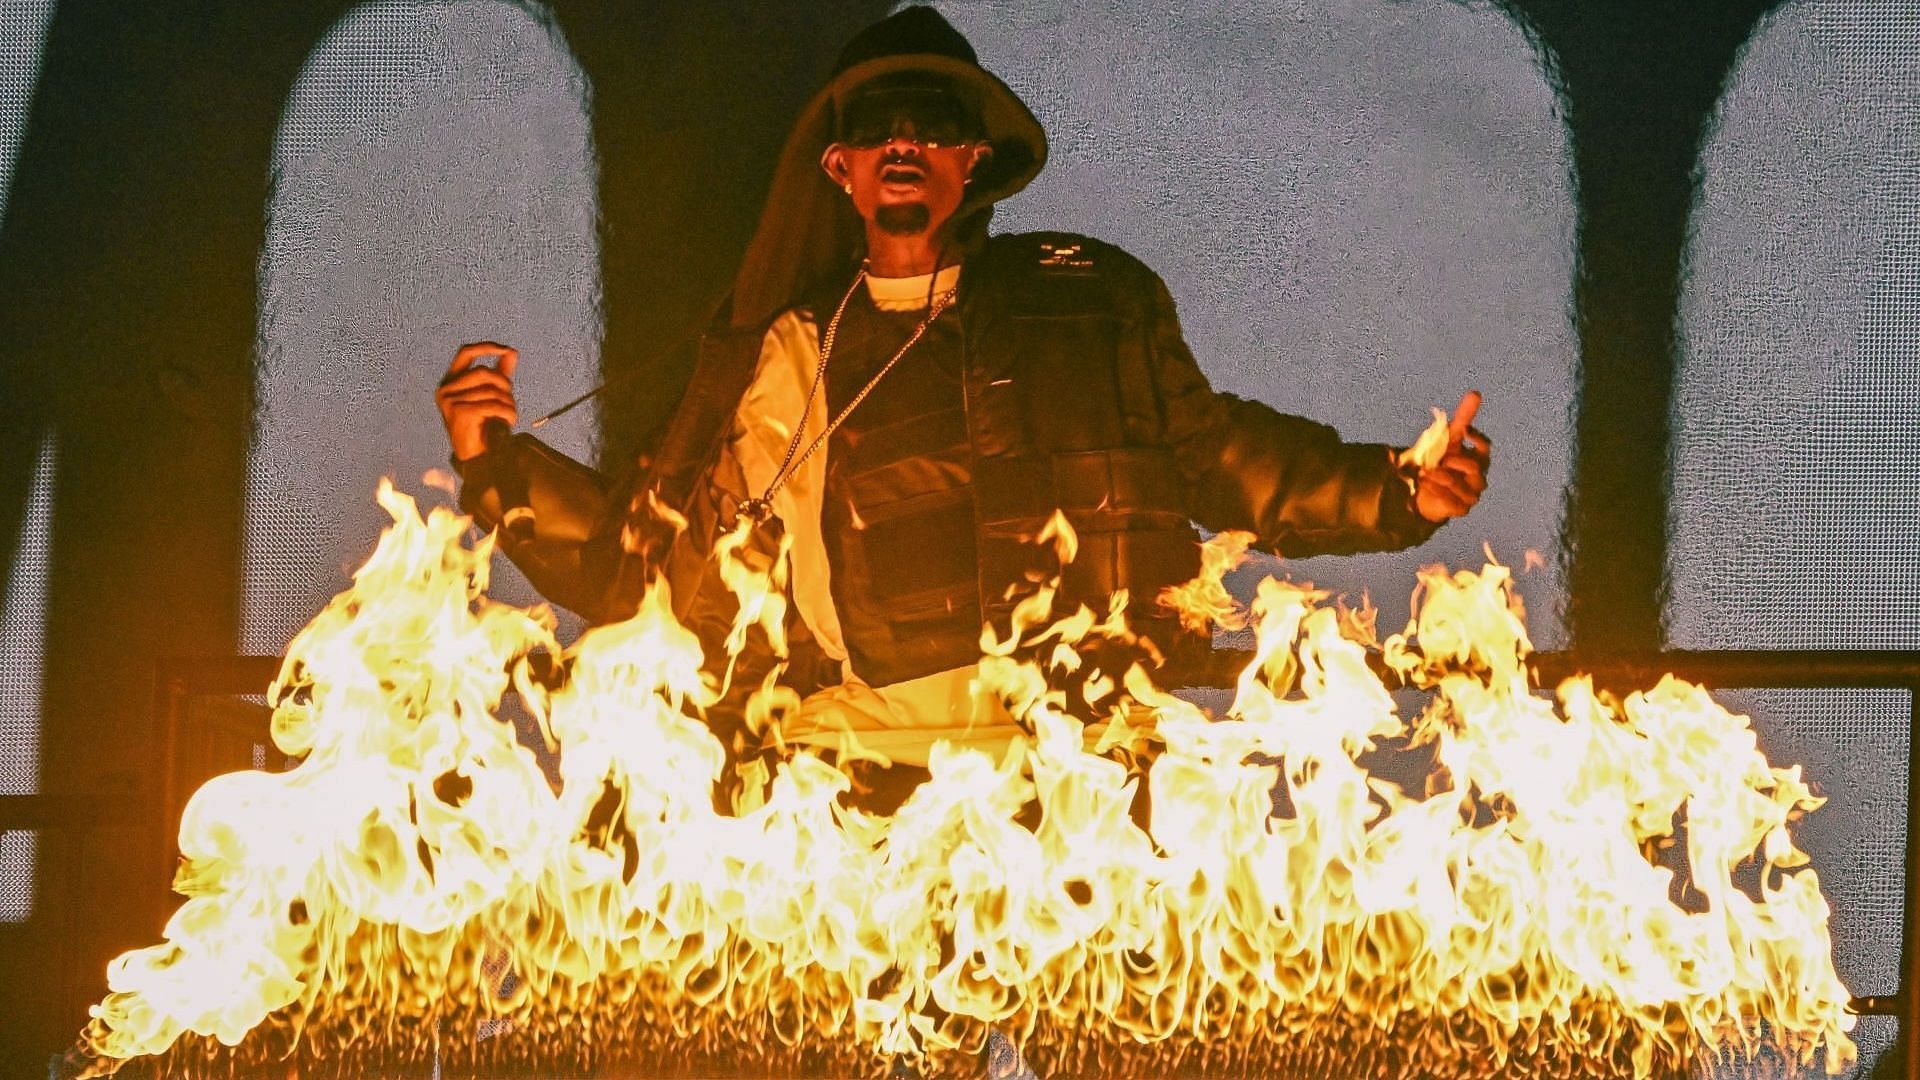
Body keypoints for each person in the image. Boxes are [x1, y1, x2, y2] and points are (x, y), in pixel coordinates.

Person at [435, 6, 1490, 808]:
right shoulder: (782, 351)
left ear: (972, 159)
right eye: (873, 124)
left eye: (932, 122)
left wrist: (1397, 491)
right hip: (841, 789)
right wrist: (495, 461)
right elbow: (653, 575)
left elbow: (1216, 456)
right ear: (838, 166)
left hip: (1068, 777)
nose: (904, 140)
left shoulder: (1091, 304)